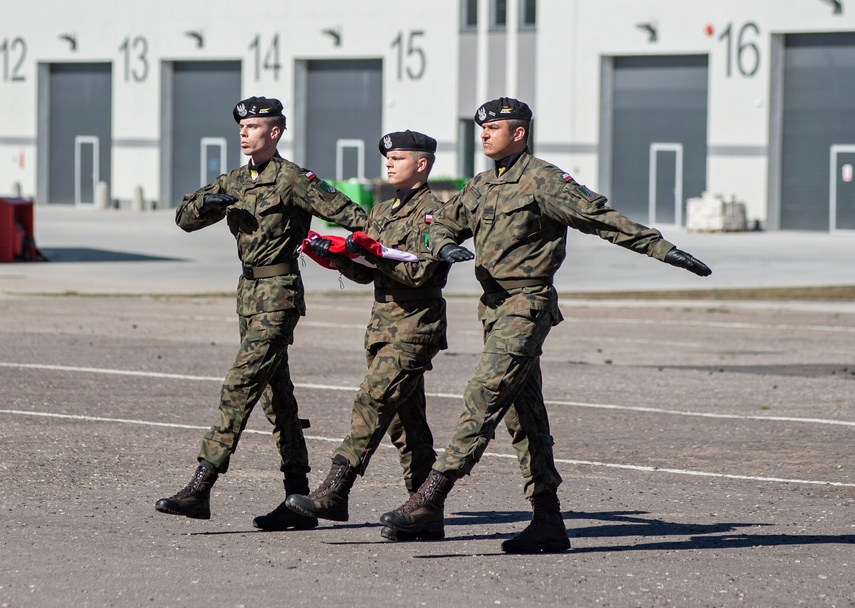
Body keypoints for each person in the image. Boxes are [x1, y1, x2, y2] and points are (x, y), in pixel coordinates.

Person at [378, 97, 712, 553]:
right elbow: (441, 224)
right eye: (482, 128)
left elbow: (598, 218)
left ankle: (430, 498)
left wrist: (662, 249)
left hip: (526, 304)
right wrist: (443, 247)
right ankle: (548, 521)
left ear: (518, 133)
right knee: (525, 417)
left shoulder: (544, 180)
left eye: (494, 128)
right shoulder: (478, 185)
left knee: (484, 395)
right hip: (493, 309)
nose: (484, 135)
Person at [155, 96, 368, 530]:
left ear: (274, 132)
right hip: (247, 295)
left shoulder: (293, 179)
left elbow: (352, 214)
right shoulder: (235, 178)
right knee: (277, 399)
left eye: (253, 127)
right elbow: (184, 217)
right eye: (241, 127)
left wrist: (375, 248)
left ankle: (201, 486)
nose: (244, 133)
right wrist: (210, 202)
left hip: (279, 294)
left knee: (240, 384)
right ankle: (297, 499)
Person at [285, 131, 450, 540]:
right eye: (388, 157)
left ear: (423, 164)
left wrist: (377, 256)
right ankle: (424, 510)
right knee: (405, 423)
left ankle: (336, 490)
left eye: (399, 157)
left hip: (416, 324)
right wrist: (335, 256)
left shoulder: (438, 214)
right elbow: (366, 271)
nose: (390, 163)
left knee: (373, 399)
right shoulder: (381, 212)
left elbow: (422, 271)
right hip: (382, 326)